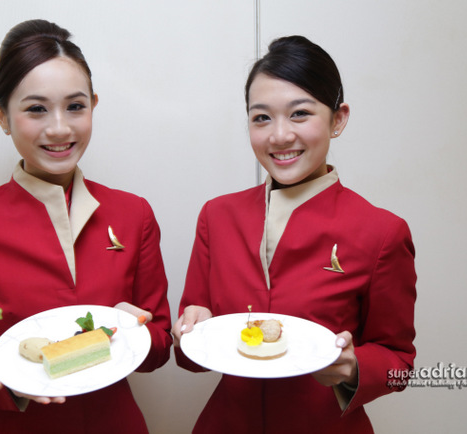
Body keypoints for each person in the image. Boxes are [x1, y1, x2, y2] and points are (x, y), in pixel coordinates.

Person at [0, 19, 171, 434]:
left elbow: (160, 343)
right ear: (2, 116)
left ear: (94, 105)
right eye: (36, 108)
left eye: (75, 106)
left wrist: (141, 332)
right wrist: (13, 379)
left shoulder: (134, 214)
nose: (59, 128)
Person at [173, 35, 416, 433]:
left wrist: (354, 366)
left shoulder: (382, 232)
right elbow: (190, 355)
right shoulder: (217, 216)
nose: (279, 136)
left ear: (338, 119)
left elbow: (399, 363)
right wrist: (186, 333)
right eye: (261, 117)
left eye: (300, 114)